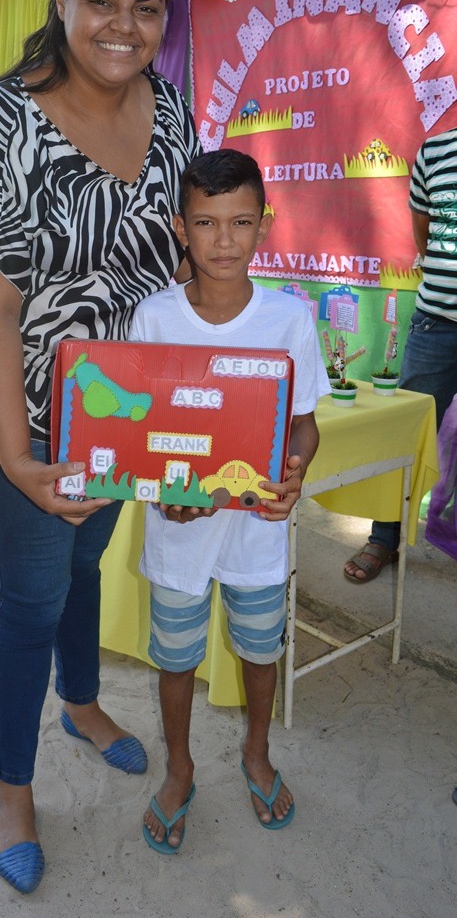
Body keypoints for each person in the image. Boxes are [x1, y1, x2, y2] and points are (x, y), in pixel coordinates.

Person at [0, 0, 200, 894]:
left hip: (116, 402)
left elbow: (173, 261)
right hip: (19, 405)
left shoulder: (171, 116)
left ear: (166, 19)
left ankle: (81, 702)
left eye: (146, 7)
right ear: (63, 2)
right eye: (101, 1)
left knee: (86, 555)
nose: (122, 26)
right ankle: (12, 786)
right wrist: (20, 455)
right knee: (32, 591)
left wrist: (191, 421)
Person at [130, 150, 331, 853]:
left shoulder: (287, 320)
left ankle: (254, 752)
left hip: (256, 533)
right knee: (176, 657)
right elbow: (136, 431)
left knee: (257, 649)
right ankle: (178, 768)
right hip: (177, 532)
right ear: (179, 228)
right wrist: (160, 493)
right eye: (205, 223)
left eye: (240, 222)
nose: (222, 241)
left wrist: (296, 469)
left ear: (263, 226)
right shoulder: (152, 319)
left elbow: (303, 420)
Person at [344, 127, 457, 583]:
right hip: (437, 322)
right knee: (405, 434)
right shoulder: (436, 150)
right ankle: (383, 536)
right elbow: (424, 230)